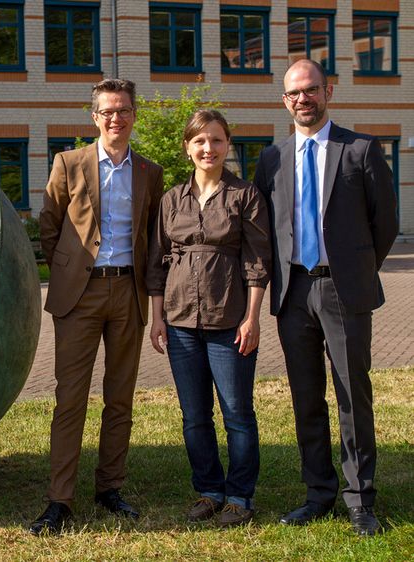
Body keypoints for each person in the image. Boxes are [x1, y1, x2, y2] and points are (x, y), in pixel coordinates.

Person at [253, 59, 398, 536]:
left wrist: (353, 271)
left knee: (352, 395)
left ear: (328, 91)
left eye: (311, 89)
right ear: (284, 101)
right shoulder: (271, 158)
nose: (303, 99)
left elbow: (386, 224)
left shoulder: (360, 149)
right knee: (306, 397)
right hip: (293, 292)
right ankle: (318, 492)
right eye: (294, 93)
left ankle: (360, 499)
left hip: (342, 289)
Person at [30, 78, 164, 535]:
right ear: (94, 118)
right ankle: (60, 500)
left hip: (128, 292)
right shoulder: (69, 162)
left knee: (120, 398)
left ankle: (110, 488)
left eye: (123, 109)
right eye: (107, 111)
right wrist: (68, 273)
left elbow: (150, 231)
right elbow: (50, 225)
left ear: (133, 115)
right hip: (79, 297)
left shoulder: (150, 171)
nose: (115, 118)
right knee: (70, 399)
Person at [147, 109, 271, 527]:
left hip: (229, 321)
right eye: (200, 141)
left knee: (237, 412)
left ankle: (239, 496)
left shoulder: (245, 196)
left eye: (216, 140)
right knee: (194, 414)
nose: (208, 148)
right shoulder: (171, 199)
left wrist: (251, 317)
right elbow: (157, 262)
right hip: (180, 322)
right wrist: (157, 317)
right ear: (188, 147)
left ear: (227, 145)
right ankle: (209, 490)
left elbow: (257, 260)